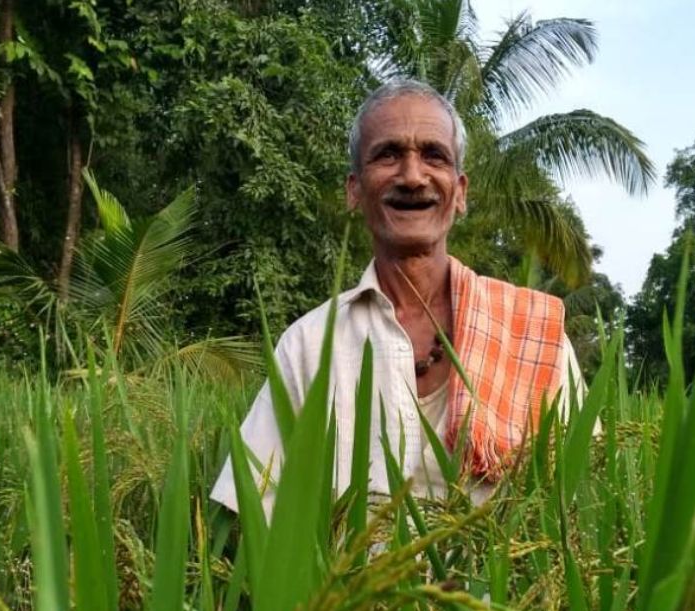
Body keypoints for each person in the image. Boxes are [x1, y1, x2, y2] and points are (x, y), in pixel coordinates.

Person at [210, 79, 580, 515]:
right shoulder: (309, 345)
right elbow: (257, 511)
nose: (412, 176)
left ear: (459, 192)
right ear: (354, 190)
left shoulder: (531, 332)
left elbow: (575, 498)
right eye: (388, 154)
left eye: (433, 155)